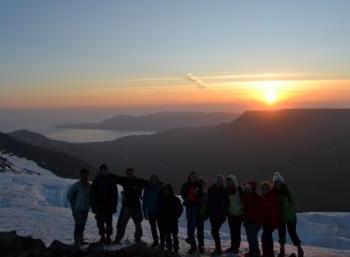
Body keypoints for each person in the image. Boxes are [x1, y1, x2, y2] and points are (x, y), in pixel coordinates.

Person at [114, 168, 150, 244]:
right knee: (121, 224)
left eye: (131, 173)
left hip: (136, 206)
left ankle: (137, 238)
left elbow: (149, 183)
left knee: (138, 224)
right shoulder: (124, 180)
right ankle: (118, 239)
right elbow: (115, 178)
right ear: (126, 174)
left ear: (133, 173)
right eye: (128, 173)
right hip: (126, 207)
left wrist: (158, 183)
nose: (130, 175)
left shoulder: (139, 181)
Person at [273, 172, 304, 257]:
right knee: (281, 234)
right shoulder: (274, 192)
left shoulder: (287, 190)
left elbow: (293, 203)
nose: (277, 184)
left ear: (281, 182)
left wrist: (291, 212)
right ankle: (282, 250)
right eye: (275, 182)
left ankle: (299, 249)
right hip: (280, 217)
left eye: (278, 182)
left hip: (290, 216)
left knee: (292, 233)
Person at [90, 164, 118, 244]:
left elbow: (115, 195)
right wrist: (93, 205)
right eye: (102, 170)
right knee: (100, 222)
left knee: (109, 222)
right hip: (99, 207)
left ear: (107, 171)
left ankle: (108, 236)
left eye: (105, 170)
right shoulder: (96, 181)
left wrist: (114, 206)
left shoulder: (111, 181)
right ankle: (102, 236)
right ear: (100, 171)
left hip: (109, 206)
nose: (104, 171)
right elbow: (92, 194)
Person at [181, 171, 204, 254]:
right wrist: (187, 198)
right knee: (190, 226)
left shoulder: (199, 185)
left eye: (194, 176)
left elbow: (202, 195)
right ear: (189, 177)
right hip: (189, 207)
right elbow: (182, 194)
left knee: (196, 228)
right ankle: (193, 246)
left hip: (196, 208)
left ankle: (198, 246)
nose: (193, 178)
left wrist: (197, 196)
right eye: (191, 176)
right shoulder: (186, 185)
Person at [67, 169, 91, 248]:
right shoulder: (76, 185)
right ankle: (76, 242)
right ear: (81, 176)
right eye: (84, 175)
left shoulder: (89, 185)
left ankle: (81, 240)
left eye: (86, 175)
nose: (85, 176)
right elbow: (69, 196)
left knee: (82, 225)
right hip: (77, 210)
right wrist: (74, 206)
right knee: (78, 225)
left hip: (85, 209)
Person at [157, 184, 184, 253]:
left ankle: (176, 249)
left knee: (175, 236)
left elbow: (180, 209)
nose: (166, 191)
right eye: (164, 190)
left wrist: (176, 216)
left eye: (167, 190)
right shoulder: (161, 199)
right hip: (164, 221)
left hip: (173, 221)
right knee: (167, 236)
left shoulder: (175, 199)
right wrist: (160, 219)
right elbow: (158, 210)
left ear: (170, 190)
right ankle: (169, 249)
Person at [207, 175, 229, 256]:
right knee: (214, 231)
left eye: (220, 181)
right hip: (213, 214)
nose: (219, 182)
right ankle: (218, 248)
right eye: (217, 180)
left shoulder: (224, 190)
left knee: (214, 231)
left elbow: (227, 202)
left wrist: (223, 207)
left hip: (221, 214)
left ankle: (218, 249)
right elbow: (208, 200)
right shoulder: (211, 189)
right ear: (215, 181)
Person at [261, 181, 281, 257]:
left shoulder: (272, 198)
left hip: (271, 222)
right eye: (263, 188)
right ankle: (267, 253)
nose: (264, 190)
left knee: (265, 237)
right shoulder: (262, 197)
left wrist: (273, 218)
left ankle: (268, 253)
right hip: (265, 222)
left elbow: (276, 210)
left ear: (268, 189)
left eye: (265, 188)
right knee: (266, 237)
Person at [242, 181, 262, 257]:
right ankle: (252, 251)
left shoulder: (257, 197)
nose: (247, 190)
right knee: (249, 237)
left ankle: (256, 252)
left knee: (253, 237)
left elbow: (260, 211)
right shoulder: (245, 197)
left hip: (255, 222)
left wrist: (259, 222)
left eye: (249, 188)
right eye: (246, 188)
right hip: (247, 221)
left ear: (252, 189)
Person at [142, 174, 162, 247]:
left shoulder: (160, 188)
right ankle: (156, 241)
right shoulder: (148, 188)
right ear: (151, 180)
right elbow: (144, 200)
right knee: (153, 227)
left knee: (161, 227)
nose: (154, 180)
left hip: (159, 211)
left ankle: (162, 242)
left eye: (155, 179)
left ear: (157, 179)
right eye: (152, 179)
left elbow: (163, 199)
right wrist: (144, 211)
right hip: (151, 211)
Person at [226, 175, 243, 254]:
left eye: (231, 181)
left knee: (237, 231)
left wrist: (241, 209)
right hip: (230, 214)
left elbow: (244, 200)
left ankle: (236, 247)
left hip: (239, 214)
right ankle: (233, 246)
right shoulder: (227, 190)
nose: (229, 183)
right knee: (232, 231)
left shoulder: (239, 189)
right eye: (228, 182)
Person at [196, 178, 209, 253]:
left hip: (200, 214)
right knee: (199, 231)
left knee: (199, 231)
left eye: (203, 184)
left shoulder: (205, 193)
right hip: (198, 214)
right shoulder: (201, 192)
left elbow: (207, 205)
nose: (202, 185)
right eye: (201, 184)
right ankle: (200, 245)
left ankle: (200, 245)